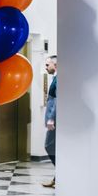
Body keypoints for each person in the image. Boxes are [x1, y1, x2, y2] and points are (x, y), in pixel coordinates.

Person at [42, 55, 57, 188]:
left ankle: (62, 173)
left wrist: (52, 118)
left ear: (55, 65)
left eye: (48, 65)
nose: (46, 68)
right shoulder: (56, 79)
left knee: (49, 146)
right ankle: (58, 177)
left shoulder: (59, 79)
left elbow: (58, 101)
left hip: (55, 122)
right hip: (54, 121)